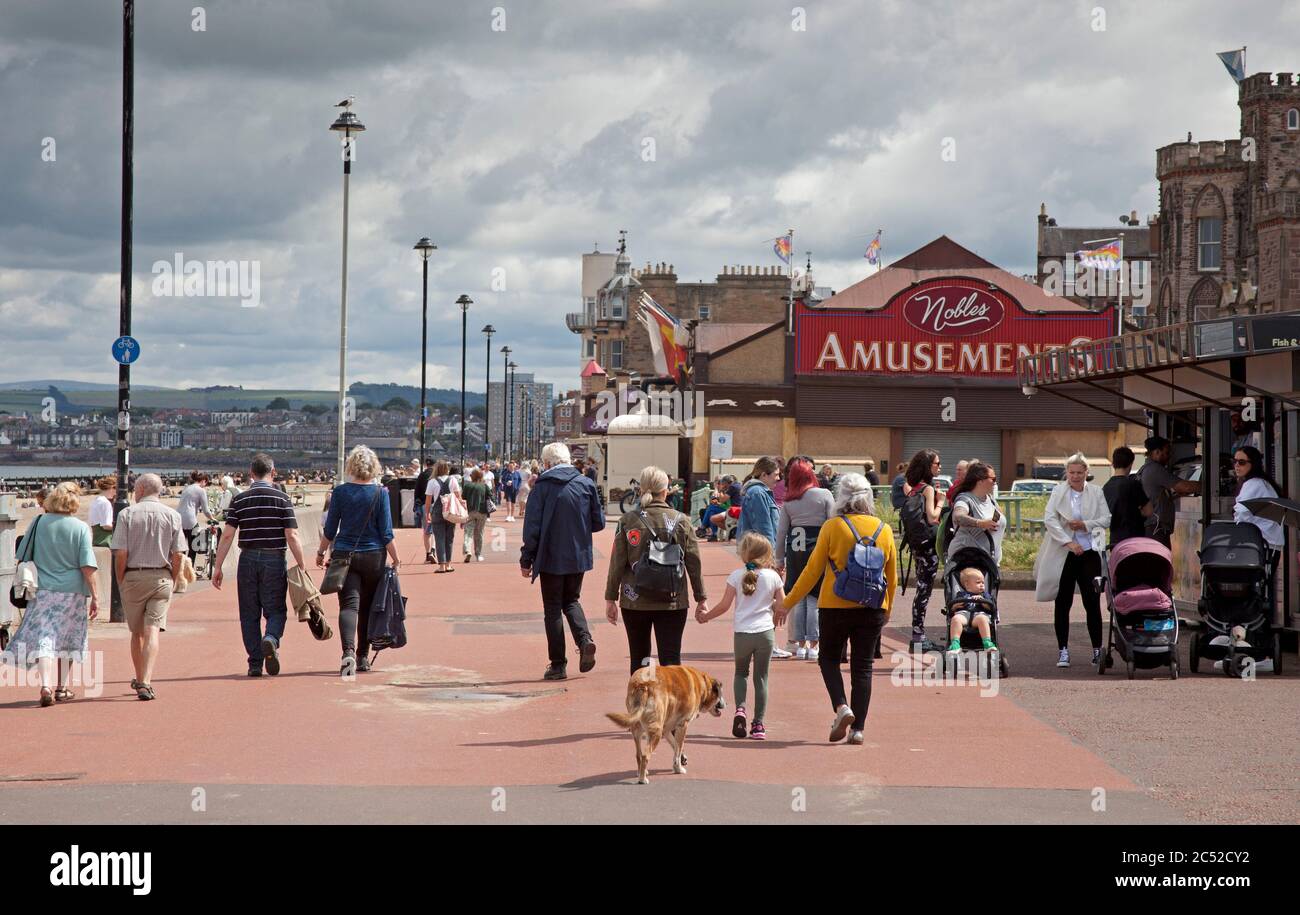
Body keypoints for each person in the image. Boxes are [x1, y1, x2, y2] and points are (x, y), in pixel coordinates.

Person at [783, 474, 897, 745]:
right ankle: (858, 729)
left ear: (841, 496)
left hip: (834, 605)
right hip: (872, 606)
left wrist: (786, 603)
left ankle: (841, 706)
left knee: (829, 660)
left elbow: (812, 572)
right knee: (863, 667)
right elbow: (890, 577)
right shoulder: (884, 529)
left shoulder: (833, 527)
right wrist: (887, 608)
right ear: (868, 497)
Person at [3, 483, 99, 706]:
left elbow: (22, 553)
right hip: (73, 591)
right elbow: (87, 566)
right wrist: (95, 596)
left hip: (43, 589)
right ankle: (61, 687)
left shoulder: (38, 522)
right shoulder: (81, 528)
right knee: (68, 639)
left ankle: (45, 684)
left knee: (45, 638)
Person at [605, 465, 708, 675]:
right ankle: (673, 706)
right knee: (671, 661)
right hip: (672, 600)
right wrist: (701, 598)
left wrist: (610, 598)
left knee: (640, 659)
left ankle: (641, 705)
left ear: (641, 489)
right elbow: (694, 563)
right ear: (666, 489)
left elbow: (617, 562)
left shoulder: (628, 521)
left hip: (634, 599)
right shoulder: (682, 521)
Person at [213, 453, 307, 677]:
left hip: (247, 559)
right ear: (273, 473)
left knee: (249, 612)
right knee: (276, 609)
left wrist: (217, 567)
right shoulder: (282, 499)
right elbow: (292, 535)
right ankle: (271, 638)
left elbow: (227, 536)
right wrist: (302, 565)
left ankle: (255, 663)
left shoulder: (240, 500)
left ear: (251, 473)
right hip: (274, 558)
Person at [521, 442, 606, 680]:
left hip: (549, 556)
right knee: (571, 600)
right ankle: (584, 639)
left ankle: (558, 664)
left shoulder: (543, 486)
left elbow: (533, 527)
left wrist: (526, 558)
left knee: (552, 609)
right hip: (577, 555)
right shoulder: (586, 483)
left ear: (547, 463)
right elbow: (598, 522)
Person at [318, 445, 399, 676]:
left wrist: (321, 553)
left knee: (349, 606)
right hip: (374, 556)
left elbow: (330, 529)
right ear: (374, 467)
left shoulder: (340, 492)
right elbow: (386, 533)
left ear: (351, 466)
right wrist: (396, 558)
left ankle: (348, 652)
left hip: (345, 555)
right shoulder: (380, 493)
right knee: (367, 608)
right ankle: (363, 657)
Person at [697, 532, 786, 741]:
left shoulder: (736, 576)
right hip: (765, 633)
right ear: (767, 554)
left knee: (741, 673)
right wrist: (775, 609)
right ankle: (759, 724)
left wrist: (706, 617)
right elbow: (783, 604)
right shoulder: (773, 577)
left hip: (742, 633)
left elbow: (724, 605)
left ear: (745, 554)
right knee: (761, 678)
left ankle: (740, 711)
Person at [111, 473, 185, 701]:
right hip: (162, 577)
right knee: (153, 629)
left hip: (134, 576)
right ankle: (146, 681)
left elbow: (120, 553)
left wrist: (121, 578)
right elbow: (179, 554)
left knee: (137, 633)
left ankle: (139, 676)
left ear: (140, 490)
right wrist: (172, 578)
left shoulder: (127, 514)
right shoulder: (172, 515)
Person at [1035, 453, 1110, 668]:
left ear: (1087, 472)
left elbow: (1106, 519)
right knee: (1062, 602)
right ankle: (1063, 650)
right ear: (1066, 473)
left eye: (1080, 472)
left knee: (1092, 601)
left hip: (1089, 551)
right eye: (1072, 472)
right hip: (1065, 551)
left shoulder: (1096, 492)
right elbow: (1050, 518)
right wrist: (1068, 542)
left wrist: (1085, 524)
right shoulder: (1059, 491)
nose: (1075, 476)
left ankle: (1097, 649)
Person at [776, 456, 833, 661]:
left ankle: (799, 645)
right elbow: (833, 523)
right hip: (818, 552)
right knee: (816, 598)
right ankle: (814, 645)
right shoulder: (824, 494)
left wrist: (779, 559)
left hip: (795, 553)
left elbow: (781, 533)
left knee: (799, 597)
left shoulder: (789, 502)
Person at [901, 449, 946, 652]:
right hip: (929, 546)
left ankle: (917, 634)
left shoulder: (911, 488)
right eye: (937, 463)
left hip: (917, 546)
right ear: (928, 466)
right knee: (924, 591)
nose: (939, 466)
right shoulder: (927, 489)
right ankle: (918, 637)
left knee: (921, 589)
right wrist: (941, 502)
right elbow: (931, 517)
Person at [1137, 436, 1199, 547]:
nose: (1169, 456)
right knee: (1161, 563)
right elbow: (1185, 487)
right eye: (1166, 452)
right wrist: (1208, 485)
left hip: (1152, 528)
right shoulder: (1155, 469)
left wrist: (1173, 496)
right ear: (1157, 452)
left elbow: (1156, 496)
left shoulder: (1145, 469)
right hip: (1156, 529)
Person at [1232, 445, 1284, 551]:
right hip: (1266, 542)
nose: (1237, 465)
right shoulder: (1260, 482)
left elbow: (1242, 511)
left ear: (1253, 464)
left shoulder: (1255, 483)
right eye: (1235, 461)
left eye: (1242, 462)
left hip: (1261, 543)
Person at [1102, 446, 1147, 545]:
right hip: (1134, 541)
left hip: (1115, 542)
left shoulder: (1106, 487)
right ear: (1131, 464)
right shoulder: (1133, 484)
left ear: (1113, 464)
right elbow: (1149, 511)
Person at [946, 566, 996, 653]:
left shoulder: (985, 595)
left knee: (983, 619)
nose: (982, 585)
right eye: (978, 582)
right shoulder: (961, 594)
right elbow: (952, 608)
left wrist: (982, 601)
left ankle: (987, 642)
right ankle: (955, 644)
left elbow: (990, 608)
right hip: (964, 614)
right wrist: (955, 606)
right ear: (967, 585)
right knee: (955, 619)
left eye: (983, 583)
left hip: (979, 615)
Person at [423, 460, 460, 572]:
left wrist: (427, 513)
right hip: (450, 511)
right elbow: (458, 497)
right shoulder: (453, 480)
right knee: (450, 538)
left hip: (438, 512)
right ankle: (448, 564)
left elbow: (428, 501)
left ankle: (442, 565)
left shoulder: (432, 482)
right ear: (447, 469)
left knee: (439, 538)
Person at [177, 471, 211, 562]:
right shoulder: (201, 490)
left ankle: (181, 569)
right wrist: (212, 518)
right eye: (206, 483)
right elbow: (206, 510)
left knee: (182, 547)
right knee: (193, 547)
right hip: (190, 519)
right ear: (203, 480)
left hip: (178, 518)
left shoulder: (186, 488)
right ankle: (190, 570)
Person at [461, 467, 491, 562]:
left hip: (470, 511)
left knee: (468, 531)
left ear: (472, 476)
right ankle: (478, 554)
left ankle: (467, 549)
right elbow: (490, 497)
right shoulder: (484, 486)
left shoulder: (467, 486)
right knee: (479, 533)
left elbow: (463, 498)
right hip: (482, 511)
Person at [88, 476, 116, 548]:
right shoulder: (105, 503)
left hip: (96, 539)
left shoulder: (96, 500)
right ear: (112, 488)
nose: (116, 493)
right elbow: (106, 526)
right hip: (105, 540)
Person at [413, 458, 435, 532]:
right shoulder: (436, 475)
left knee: (427, 530)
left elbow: (417, 491)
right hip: (436, 504)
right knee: (437, 529)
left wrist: (415, 505)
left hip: (424, 503)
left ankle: (428, 543)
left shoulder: (422, 475)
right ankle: (434, 543)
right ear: (435, 465)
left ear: (426, 465)